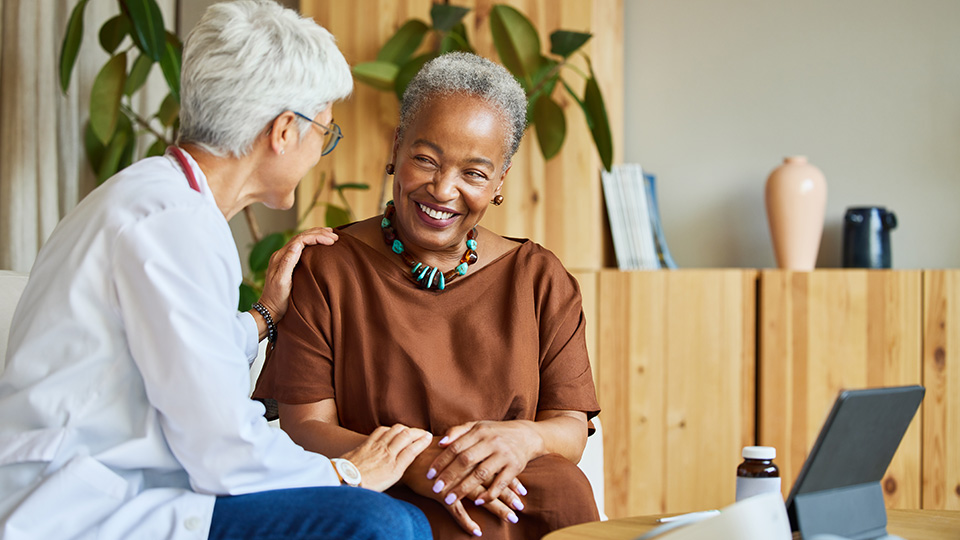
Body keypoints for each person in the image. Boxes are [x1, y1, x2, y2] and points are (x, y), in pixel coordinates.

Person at [0, 2, 434, 539]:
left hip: (105, 489)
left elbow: (181, 356)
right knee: (383, 523)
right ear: (283, 131)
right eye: (324, 132)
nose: (320, 150)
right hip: (77, 509)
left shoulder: (157, 200)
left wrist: (265, 314)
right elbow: (222, 447)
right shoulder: (173, 222)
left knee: (400, 521)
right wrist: (347, 473)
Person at [253, 52, 602, 539]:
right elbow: (305, 427)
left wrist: (523, 438)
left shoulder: (540, 278)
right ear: (397, 147)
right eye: (426, 160)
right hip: (386, 491)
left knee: (564, 488)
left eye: (474, 173)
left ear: (500, 179)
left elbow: (568, 426)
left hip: (510, 488)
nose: (442, 189)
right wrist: (416, 463)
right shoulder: (326, 267)